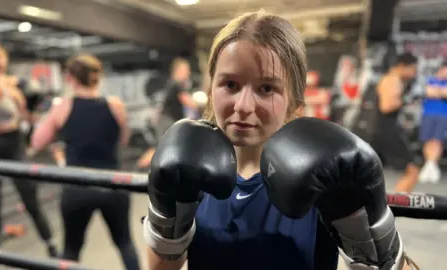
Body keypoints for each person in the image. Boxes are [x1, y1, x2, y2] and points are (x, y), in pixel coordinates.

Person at [141, 11, 417, 270]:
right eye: (231, 85)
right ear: (211, 89)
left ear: (295, 102)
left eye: (266, 88)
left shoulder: (321, 174)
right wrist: (166, 218)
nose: (244, 106)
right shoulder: (190, 161)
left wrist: (371, 234)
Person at [30, 54, 140, 270]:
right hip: (113, 183)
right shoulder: (115, 105)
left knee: (71, 250)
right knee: (125, 243)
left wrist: (49, 118)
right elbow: (123, 139)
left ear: (70, 77)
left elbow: (36, 142)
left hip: (78, 187)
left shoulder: (63, 106)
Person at [0, 36, 56, 257]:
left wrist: (25, 105)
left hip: (14, 143)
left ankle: (50, 243)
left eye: (0, 63)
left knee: (30, 197)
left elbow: (29, 120)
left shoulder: (13, 83)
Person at [136, 57, 198, 169]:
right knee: (162, 146)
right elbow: (188, 101)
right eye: (186, 69)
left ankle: (140, 167)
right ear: (179, 70)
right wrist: (204, 104)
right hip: (167, 121)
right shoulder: (176, 84)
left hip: (166, 120)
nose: (188, 73)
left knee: (161, 146)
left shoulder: (172, 83)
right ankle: (139, 168)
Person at [372, 53, 420, 192]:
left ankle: (391, 205)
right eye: (412, 69)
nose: (414, 73)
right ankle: (397, 206)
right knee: (412, 171)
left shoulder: (391, 79)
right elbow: (386, 106)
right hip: (386, 131)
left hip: (384, 130)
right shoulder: (393, 80)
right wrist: (407, 99)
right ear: (402, 66)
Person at [418, 63, 447, 183]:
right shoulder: (430, 80)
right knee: (427, 140)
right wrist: (440, 92)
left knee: (437, 141)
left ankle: (432, 166)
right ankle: (428, 164)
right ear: (441, 70)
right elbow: (427, 92)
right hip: (428, 115)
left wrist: (437, 92)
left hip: (443, 115)